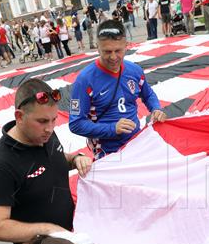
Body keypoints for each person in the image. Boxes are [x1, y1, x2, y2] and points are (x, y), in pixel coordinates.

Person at [0, 79, 92, 244]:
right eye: (42, 121)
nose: (50, 128)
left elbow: (51, 159)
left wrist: (74, 159)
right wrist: (47, 230)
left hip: (68, 237)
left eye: (54, 119)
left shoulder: (44, 134)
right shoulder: (0, 163)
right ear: (19, 117)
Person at [69, 20, 166, 158]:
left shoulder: (135, 70)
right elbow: (75, 124)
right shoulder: (84, 80)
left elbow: (148, 94)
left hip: (137, 143)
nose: (113, 57)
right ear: (97, 47)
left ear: (126, 46)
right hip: (107, 153)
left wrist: (156, 108)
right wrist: (112, 128)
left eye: (118, 51)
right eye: (107, 51)